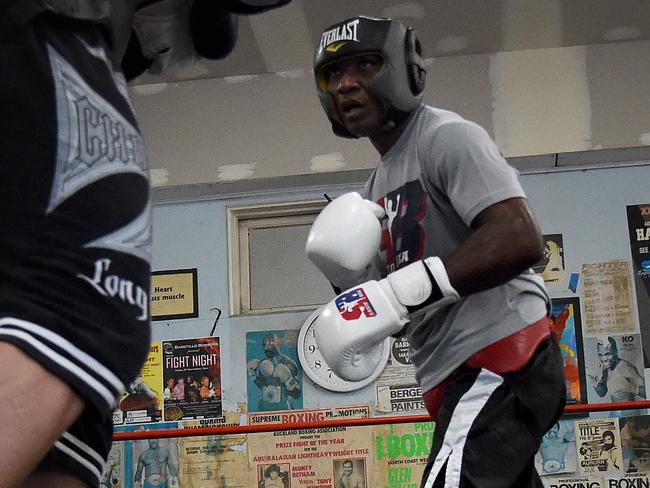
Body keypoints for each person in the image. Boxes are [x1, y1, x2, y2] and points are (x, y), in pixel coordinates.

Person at [306, 15, 566, 488]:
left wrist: (404, 290)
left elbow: (518, 237)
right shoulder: (377, 186)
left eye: (363, 65)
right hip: (455, 379)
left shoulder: (445, 137)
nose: (346, 84)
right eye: (334, 75)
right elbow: (388, 304)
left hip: (501, 360)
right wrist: (344, 281)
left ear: (402, 69)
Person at [249, 333, 301, 411]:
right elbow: (264, 387)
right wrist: (253, 375)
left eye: (270, 343)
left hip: (284, 410)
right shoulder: (264, 364)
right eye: (264, 344)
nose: (266, 347)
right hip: (265, 410)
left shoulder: (289, 364)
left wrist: (288, 379)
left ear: (278, 343)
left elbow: (297, 395)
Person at [590, 336, 646, 403]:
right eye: (600, 355)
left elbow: (647, 392)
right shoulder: (604, 369)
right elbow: (602, 393)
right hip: (614, 411)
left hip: (630, 411)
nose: (604, 359)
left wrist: (631, 388)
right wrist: (595, 381)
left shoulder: (625, 367)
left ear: (616, 352)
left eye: (607, 354)